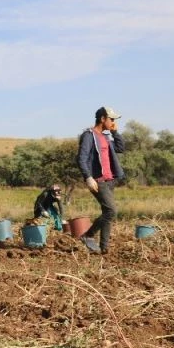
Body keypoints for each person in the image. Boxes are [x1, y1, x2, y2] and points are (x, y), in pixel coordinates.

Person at [76, 106, 125, 254]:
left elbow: (121, 147)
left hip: (110, 180)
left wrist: (114, 131)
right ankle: (88, 235)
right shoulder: (89, 135)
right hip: (99, 180)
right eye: (111, 119)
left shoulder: (105, 137)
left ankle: (104, 249)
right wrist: (88, 177)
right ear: (102, 119)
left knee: (107, 214)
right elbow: (81, 158)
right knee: (111, 211)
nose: (113, 122)